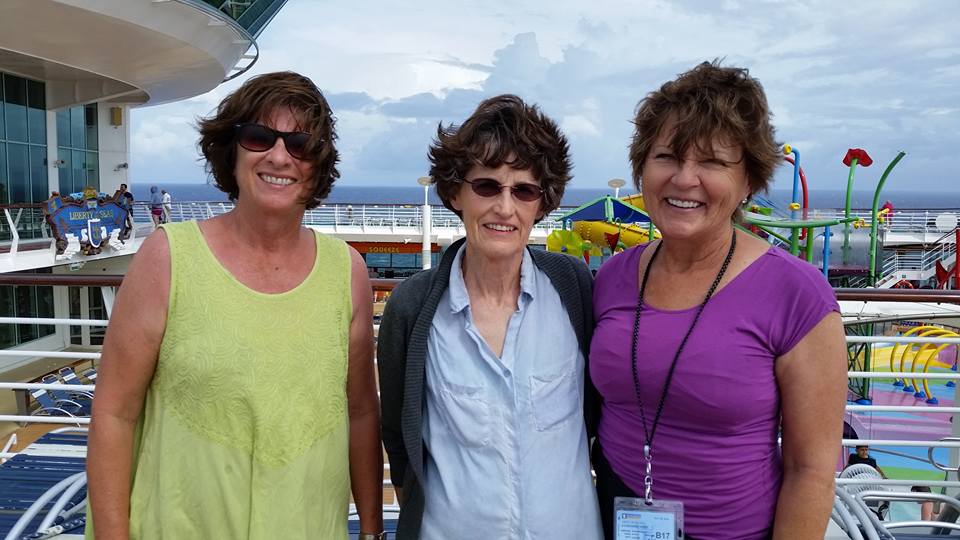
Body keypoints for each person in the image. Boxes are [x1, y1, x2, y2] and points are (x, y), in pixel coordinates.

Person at [86, 71, 384, 539]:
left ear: (318, 163)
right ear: (232, 149)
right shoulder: (169, 258)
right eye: (259, 137)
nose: (280, 156)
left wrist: (371, 530)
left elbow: (361, 411)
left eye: (301, 144)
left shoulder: (346, 272)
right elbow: (114, 414)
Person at [590, 61, 847, 540]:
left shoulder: (795, 292)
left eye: (711, 162)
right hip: (611, 516)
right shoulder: (613, 277)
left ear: (749, 180)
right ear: (642, 168)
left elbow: (811, 471)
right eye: (667, 156)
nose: (684, 179)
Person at [378, 94, 602, 540]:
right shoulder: (412, 307)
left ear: (542, 203)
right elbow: (399, 440)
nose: (504, 207)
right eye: (486, 186)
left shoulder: (575, 290)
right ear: (455, 193)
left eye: (524, 190)